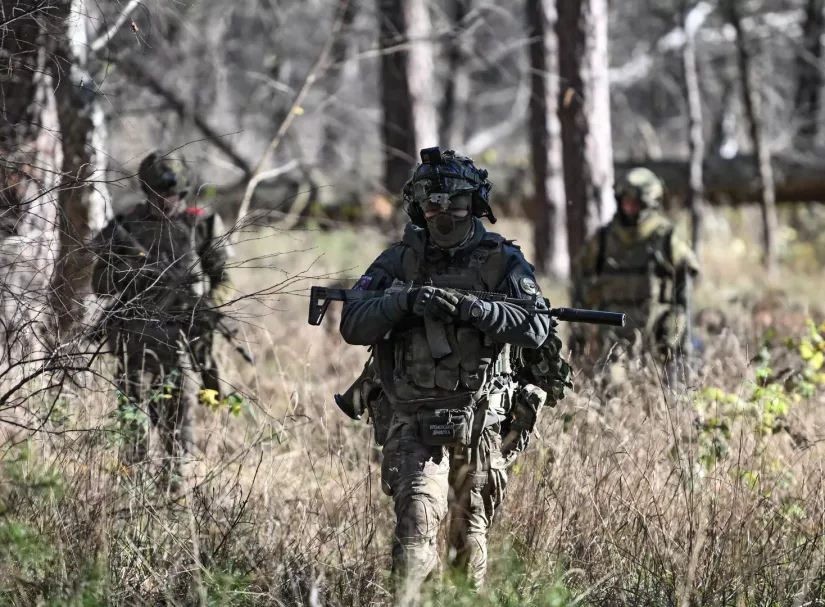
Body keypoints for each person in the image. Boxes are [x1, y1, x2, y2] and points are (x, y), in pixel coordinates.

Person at [338, 147, 568, 600]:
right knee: (415, 529)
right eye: (432, 202)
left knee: (470, 538)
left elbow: (537, 325)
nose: (443, 213)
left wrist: (475, 308)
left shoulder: (501, 260)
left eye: (455, 202)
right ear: (418, 206)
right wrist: (403, 302)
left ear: (475, 204)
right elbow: (352, 322)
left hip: (481, 419)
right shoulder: (399, 260)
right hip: (411, 414)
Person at [91, 150, 234, 491]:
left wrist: (206, 305)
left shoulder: (201, 226)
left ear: (183, 193)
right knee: (133, 423)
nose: (164, 201)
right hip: (134, 340)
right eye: (157, 195)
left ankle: (176, 492)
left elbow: (223, 281)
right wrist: (133, 275)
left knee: (179, 420)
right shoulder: (124, 227)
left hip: (182, 339)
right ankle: (131, 493)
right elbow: (99, 285)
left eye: (171, 195)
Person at [571, 167, 700, 381]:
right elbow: (581, 280)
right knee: (611, 390)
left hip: (657, 336)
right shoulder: (604, 239)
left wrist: (677, 335)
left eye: (635, 202)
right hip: (611, 341)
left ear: (648, 203)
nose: (628, 207)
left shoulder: (665, 238)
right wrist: (580, 336)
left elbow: (684, 285)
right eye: (625, 200)